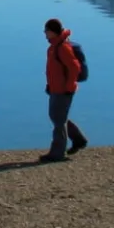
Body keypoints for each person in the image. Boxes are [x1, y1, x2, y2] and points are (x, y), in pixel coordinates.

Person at [39, 17, 88, 163]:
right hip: (56, 88)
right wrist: (50, 85)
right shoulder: (54, 47)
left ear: (53, 32)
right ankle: (78, 140)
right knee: (58, 116)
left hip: (63, 90)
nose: (45, 34)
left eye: (46, 31)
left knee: (58, 119)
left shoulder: (62, 48)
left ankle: (57, 153)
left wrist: (68, 87)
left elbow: (74, 68)